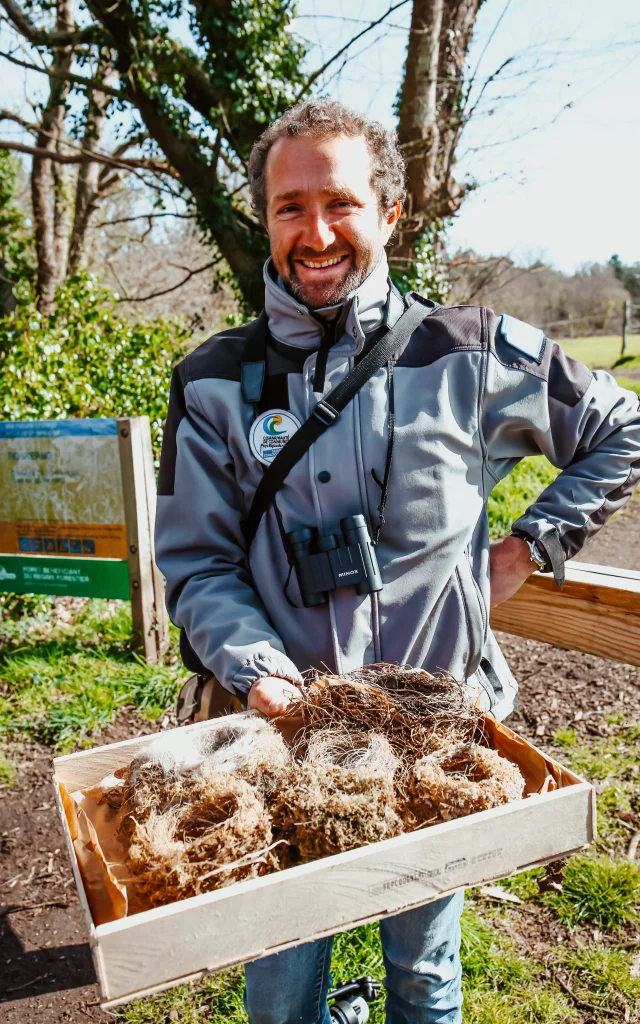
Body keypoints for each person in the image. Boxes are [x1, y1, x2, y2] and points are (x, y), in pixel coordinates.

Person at [155, 99, 640, 1024]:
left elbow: (621, 427)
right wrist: (262, 679)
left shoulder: (470, 350)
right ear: (265, 220)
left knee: (424, 975)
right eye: (289, 207)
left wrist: (527, 549)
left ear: (389, 212)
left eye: (339, 202)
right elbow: (197, 564)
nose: (316, 232)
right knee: (282, 986)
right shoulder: (211, 381)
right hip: (279, 747)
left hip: (439, 742)